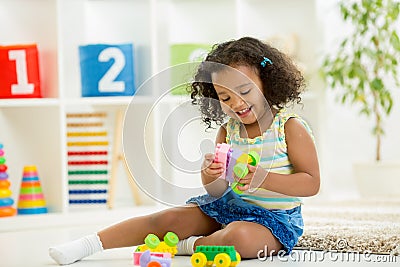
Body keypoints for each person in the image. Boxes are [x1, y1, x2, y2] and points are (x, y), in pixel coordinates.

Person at [49, 36, 320, 265]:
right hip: (229, 207)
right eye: (225, 97)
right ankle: (88, 244)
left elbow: (311, 183)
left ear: (267, 83)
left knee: (239, 239)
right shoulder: (229, 130)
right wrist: (209, 173)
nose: (236, 103)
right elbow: (217, 190)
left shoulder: (289, 127)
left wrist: (265, 178)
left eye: (245, 91)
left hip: (275, 221)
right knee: (168, 217)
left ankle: (186, 245)